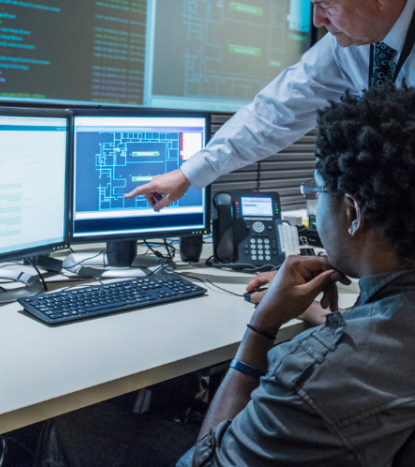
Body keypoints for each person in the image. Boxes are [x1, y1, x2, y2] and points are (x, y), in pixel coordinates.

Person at [178, 84, 415, 466]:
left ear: (352, 212)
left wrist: (262, 326)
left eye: (315, 191)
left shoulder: (311, 375)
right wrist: (340, 320)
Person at [127, 0, 415, 210]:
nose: (317, 19)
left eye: (326, 5)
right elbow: (275, 112)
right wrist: (189, 173)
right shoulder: (350, 43)